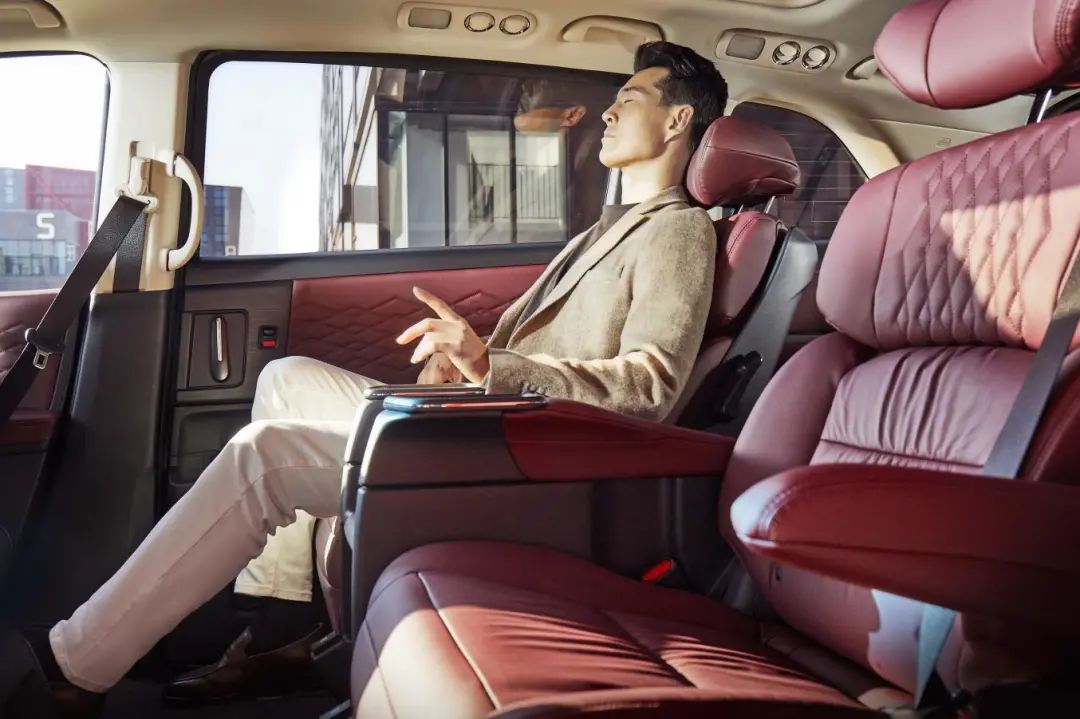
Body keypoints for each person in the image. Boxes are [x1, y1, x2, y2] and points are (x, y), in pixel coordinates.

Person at [30, 40, 728, 715]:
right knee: (287, 377)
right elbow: (541, 348)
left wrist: (490, 366)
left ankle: (76, 666)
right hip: (479, 415)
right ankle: (280, 634)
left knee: (263, 455)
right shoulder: (603, 231)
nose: (609, 110)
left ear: (677, 120)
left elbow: (649, 388)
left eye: (631, 97)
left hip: (522, 455)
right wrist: (465, 361)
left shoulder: (680, 231)